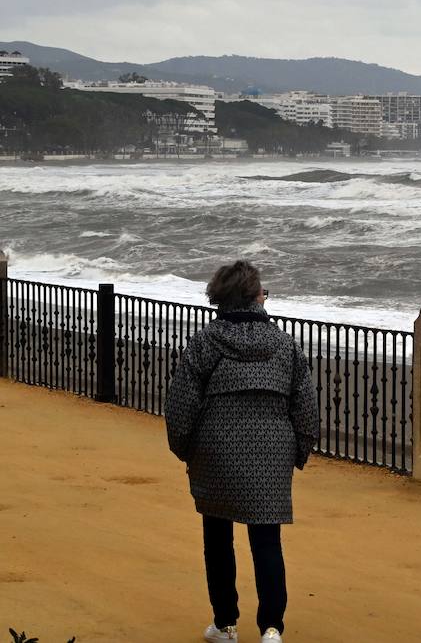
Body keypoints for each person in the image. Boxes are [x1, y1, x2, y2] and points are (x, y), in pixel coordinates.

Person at [166, 261, 320, 643]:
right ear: (254, 297)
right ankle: (271, 628)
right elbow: (305, 405)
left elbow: (181, 403)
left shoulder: (206, 342)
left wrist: (185, 449)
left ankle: (225, 624)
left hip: (216, 450)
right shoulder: (285, 344)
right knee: (267, 541)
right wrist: (299, 451)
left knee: (217, 538)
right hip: (272, 452)